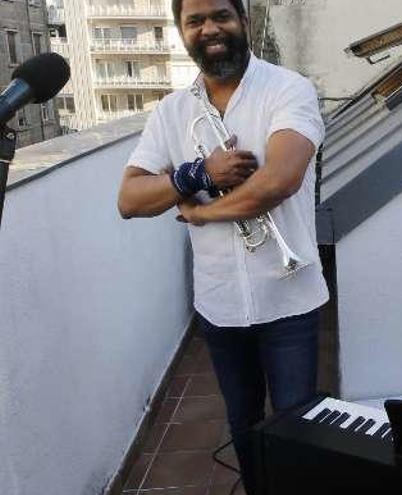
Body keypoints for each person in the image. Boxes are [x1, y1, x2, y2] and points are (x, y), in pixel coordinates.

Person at [116, 0, 327, 491]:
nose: (210, 29)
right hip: (220, 306)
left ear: (243, 22)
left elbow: (279, 179)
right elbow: (129, 198)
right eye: (195, 21)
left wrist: (201, 211)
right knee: (244, 428)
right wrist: (199, 174)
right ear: (182, 33)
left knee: (296, 431)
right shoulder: (172, 112)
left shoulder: (287, 90)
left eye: (221, 16)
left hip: (289, 301)